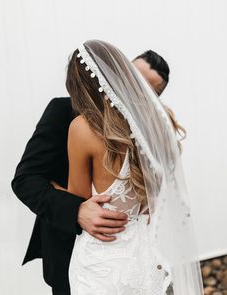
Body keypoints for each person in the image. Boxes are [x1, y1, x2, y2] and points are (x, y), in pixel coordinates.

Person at [10, 45, 183, 295]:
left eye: (148, 89)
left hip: (133, 256)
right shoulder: (64, 112)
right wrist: (76, 209)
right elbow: (25, 179)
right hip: (71, 251)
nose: (135, 89)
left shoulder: (149, 132)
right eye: (134, 77)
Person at [52, 40, 204, 294]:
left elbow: (77, 199)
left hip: (100, 262)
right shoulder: (153, 125)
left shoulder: (82, 128)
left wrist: (51, 185)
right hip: (142, 258)